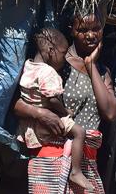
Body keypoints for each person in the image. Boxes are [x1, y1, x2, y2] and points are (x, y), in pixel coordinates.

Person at [14, 12, 116, 194]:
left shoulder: (102, 72)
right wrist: (39, 114)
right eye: (82, 30)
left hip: (85, 164)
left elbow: (110, 113)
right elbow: (16, 104)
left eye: (96, 29)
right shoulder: (54, 65)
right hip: (50, 158)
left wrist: (91, 65)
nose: (91, 35)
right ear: (71, 30)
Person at [17, 28, 93, 189]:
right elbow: (52, 99)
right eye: (64, 53)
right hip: (47, 123)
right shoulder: (49, 73)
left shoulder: (28, 66)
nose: (65, 58)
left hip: (29, 126)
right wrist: (65, 112)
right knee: (80, 132)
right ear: (51, 51)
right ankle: (76, 171)